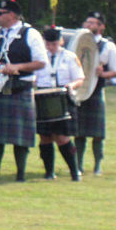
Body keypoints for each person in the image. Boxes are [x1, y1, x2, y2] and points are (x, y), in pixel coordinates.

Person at [0, 0, 47, 181]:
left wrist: (18, 66)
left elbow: (41, 62)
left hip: (19, 88)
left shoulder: (30, 34)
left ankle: (21, 174)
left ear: (12, 15)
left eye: (1, 13)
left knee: (21, 136)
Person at [33, 27, 84, 181]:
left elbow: (80, 79)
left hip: (62, 96)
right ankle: (49, 172)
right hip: (43, 96)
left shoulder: (70, 57)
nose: (50, 47)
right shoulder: (39, 58)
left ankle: (74, 171)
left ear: (60, 42)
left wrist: (71, 86)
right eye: (48, 44)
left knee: (62, 137)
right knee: (45, 137)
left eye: (54, 44)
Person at [73, 12, 116, 176]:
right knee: (79, 133)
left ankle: (97, 165)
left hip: (96, 91)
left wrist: (102, 73)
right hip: (79, 91)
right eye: (87, 22)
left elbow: (115, 72)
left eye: (93, 23)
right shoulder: (77, 42)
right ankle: (78, 164)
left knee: (98, 134)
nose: (88, 25)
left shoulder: (108, 46)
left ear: (101, 27)